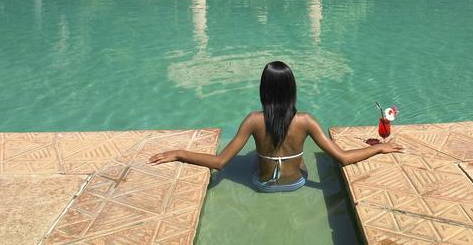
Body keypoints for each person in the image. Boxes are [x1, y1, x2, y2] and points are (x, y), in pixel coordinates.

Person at [148, 60, 403, 193]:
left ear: (264, 89)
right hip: (297, 184)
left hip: (261, 185)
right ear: (292, 88)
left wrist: (179, 153)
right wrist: (380, 149)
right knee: (303, 161)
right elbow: (344, 159)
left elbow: (219, 162)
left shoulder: (253, 120)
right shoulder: (306, 121)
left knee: (250, 159)